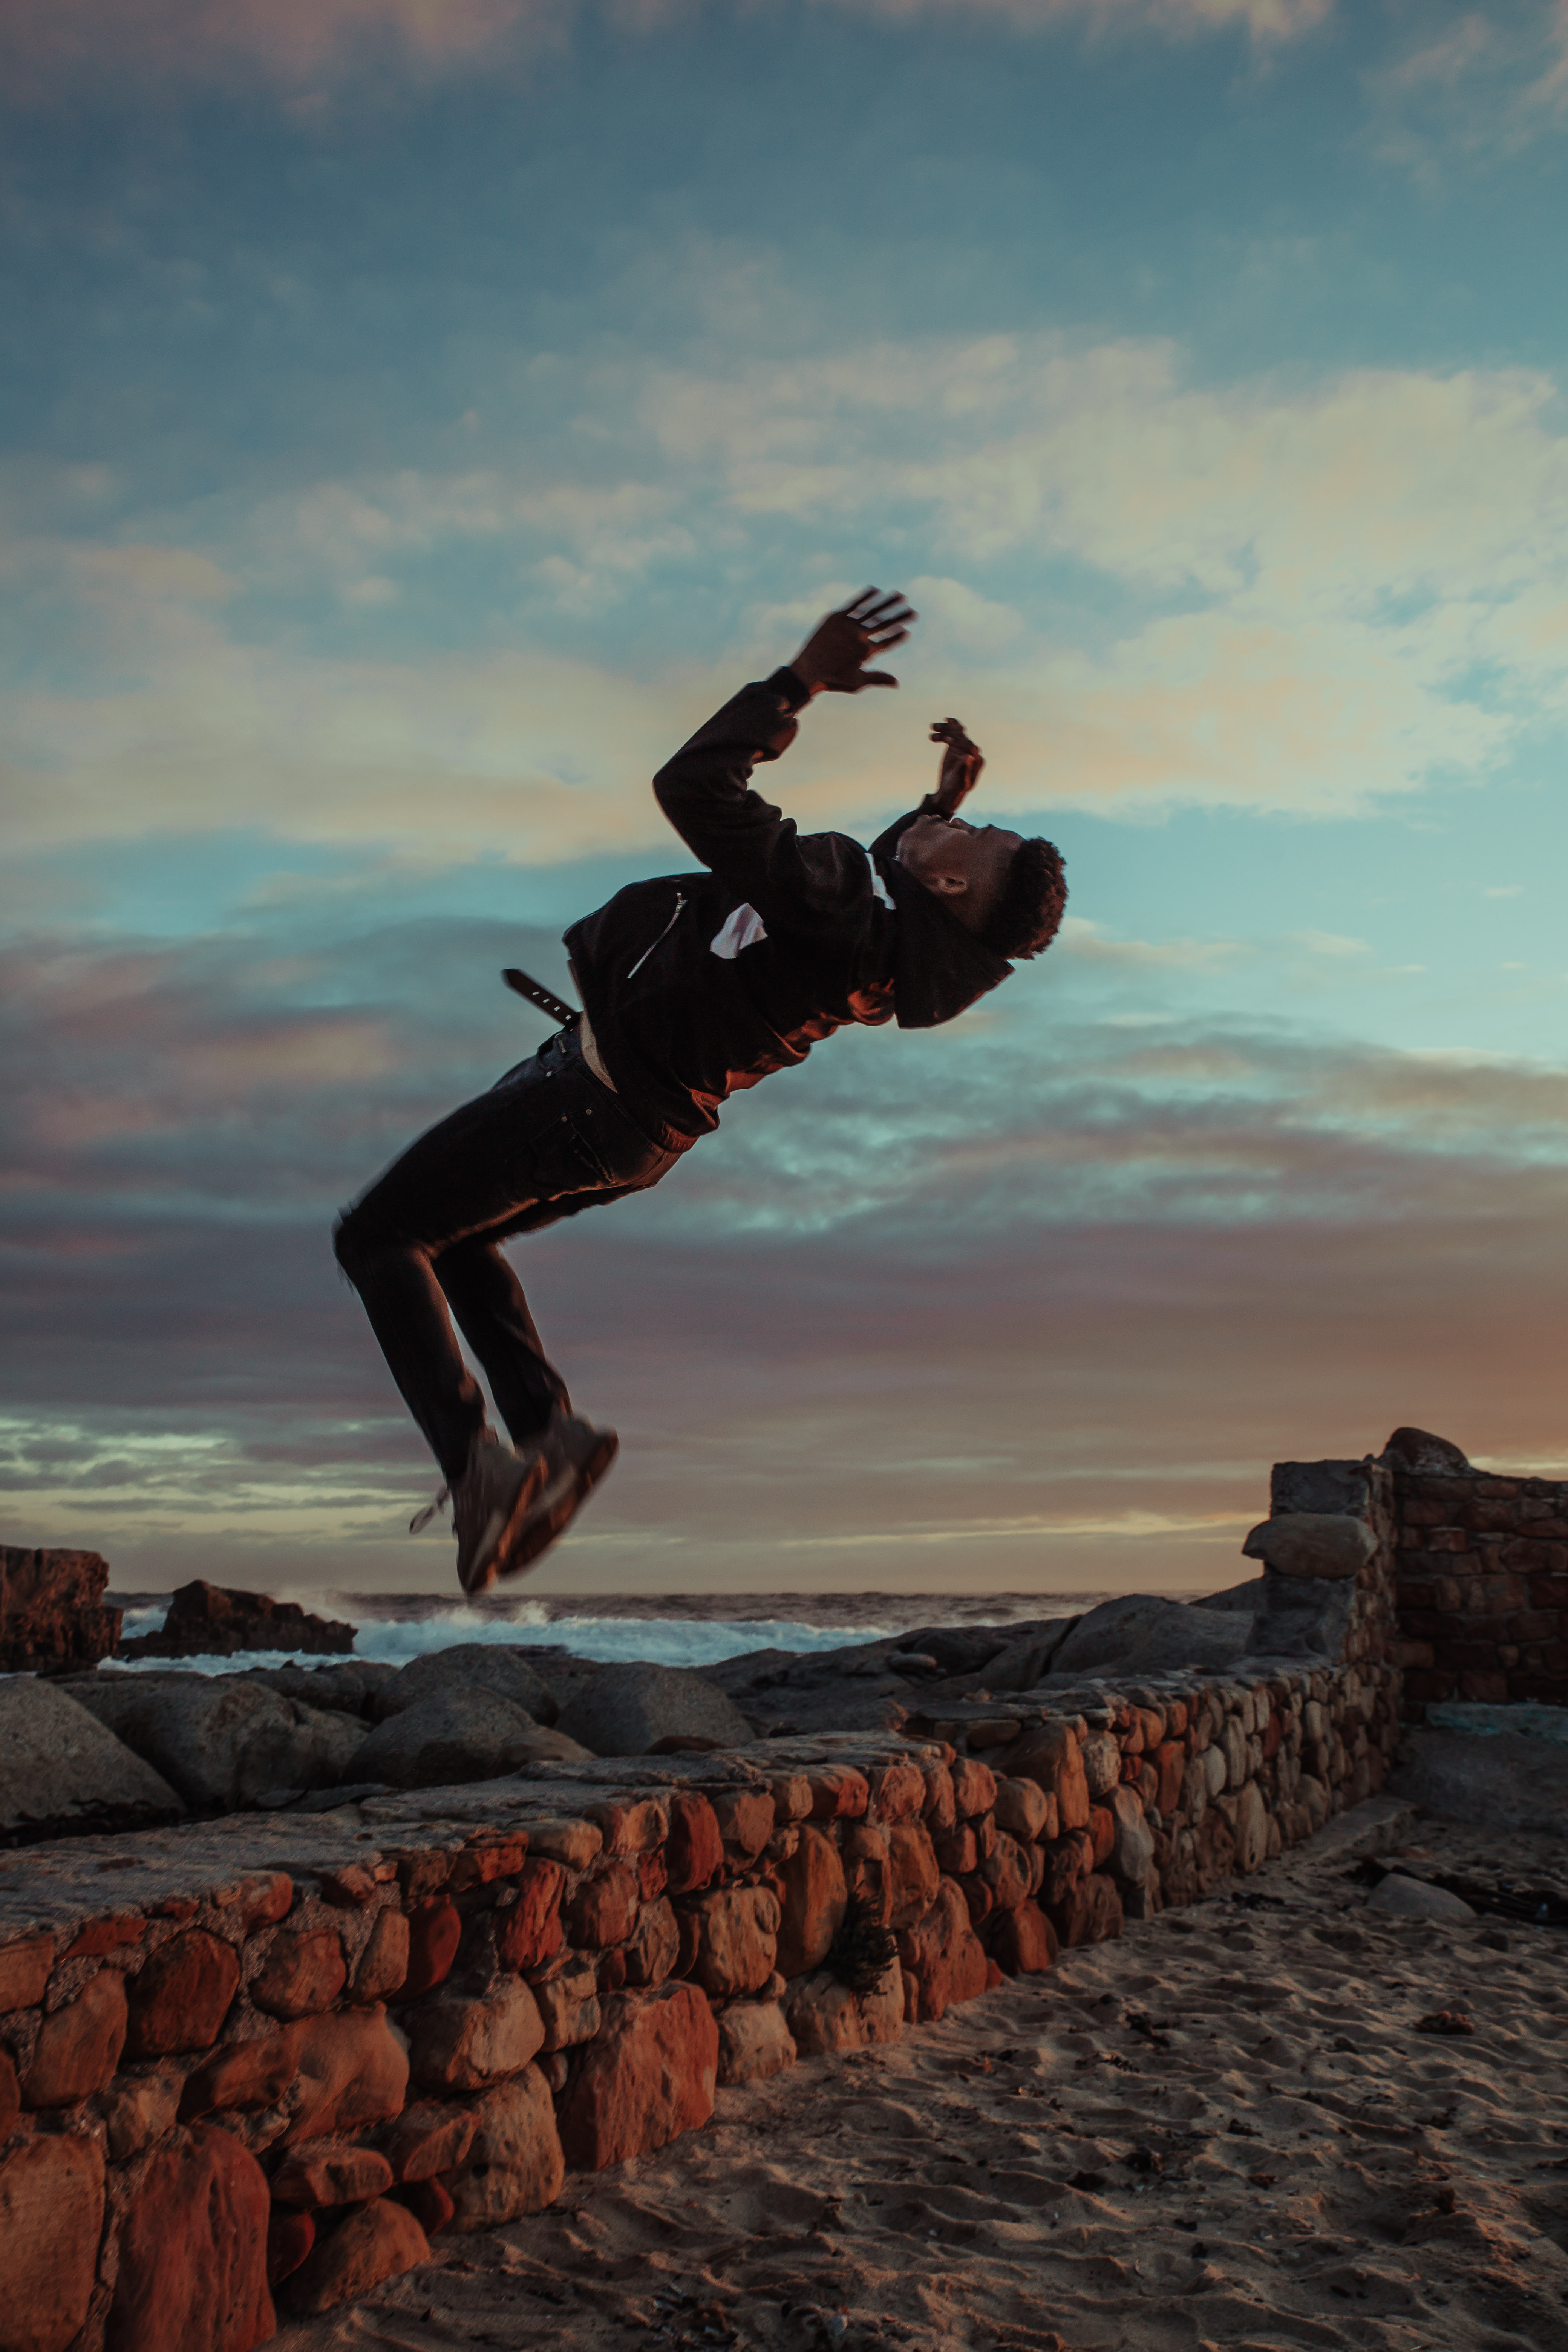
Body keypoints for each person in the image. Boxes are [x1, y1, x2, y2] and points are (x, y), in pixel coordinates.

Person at [333, 590, 1067, 1593]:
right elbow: (897, 878)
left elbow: (694, 787)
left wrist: (797, 683)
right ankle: (549, 1435)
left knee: (378, 1238)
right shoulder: (885, 949)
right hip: (637, 1128)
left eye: (972, 834)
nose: (960, 825)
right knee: (455, 1239)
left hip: (592, 1095)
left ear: (948, 890)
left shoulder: (844, 906)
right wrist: (937, 812)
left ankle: (481, 1473)